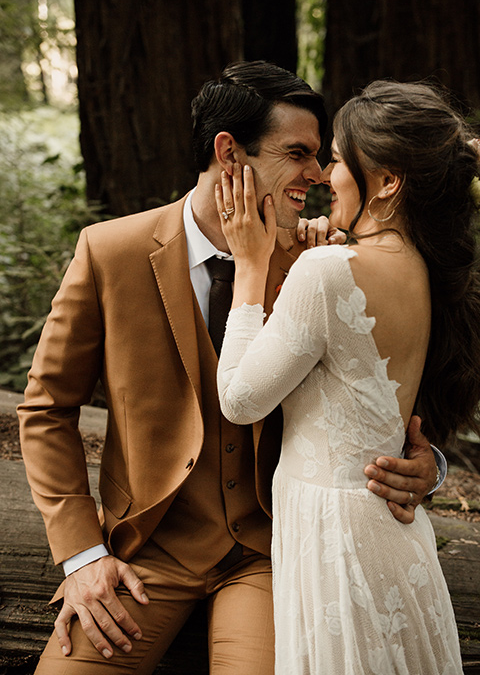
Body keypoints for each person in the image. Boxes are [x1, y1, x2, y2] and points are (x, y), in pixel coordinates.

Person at [18, 63, 441, 675]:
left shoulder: (318, 262)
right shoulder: (111, 251)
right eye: (298, 153)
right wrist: (82, 555)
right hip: (146, 553)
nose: (319, 177)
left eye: (323, 158)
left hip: (269, 555)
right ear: (229, 152)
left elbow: (385, 392)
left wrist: (430, 466)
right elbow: (45, 408)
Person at [216, 79, 480, 674]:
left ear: (387, 182)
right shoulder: (422, 268)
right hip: (393, 536)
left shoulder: (330, 269)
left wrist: (253, 266)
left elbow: (238, 399)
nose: (325, 176)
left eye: (336, 159)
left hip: (337, 541)